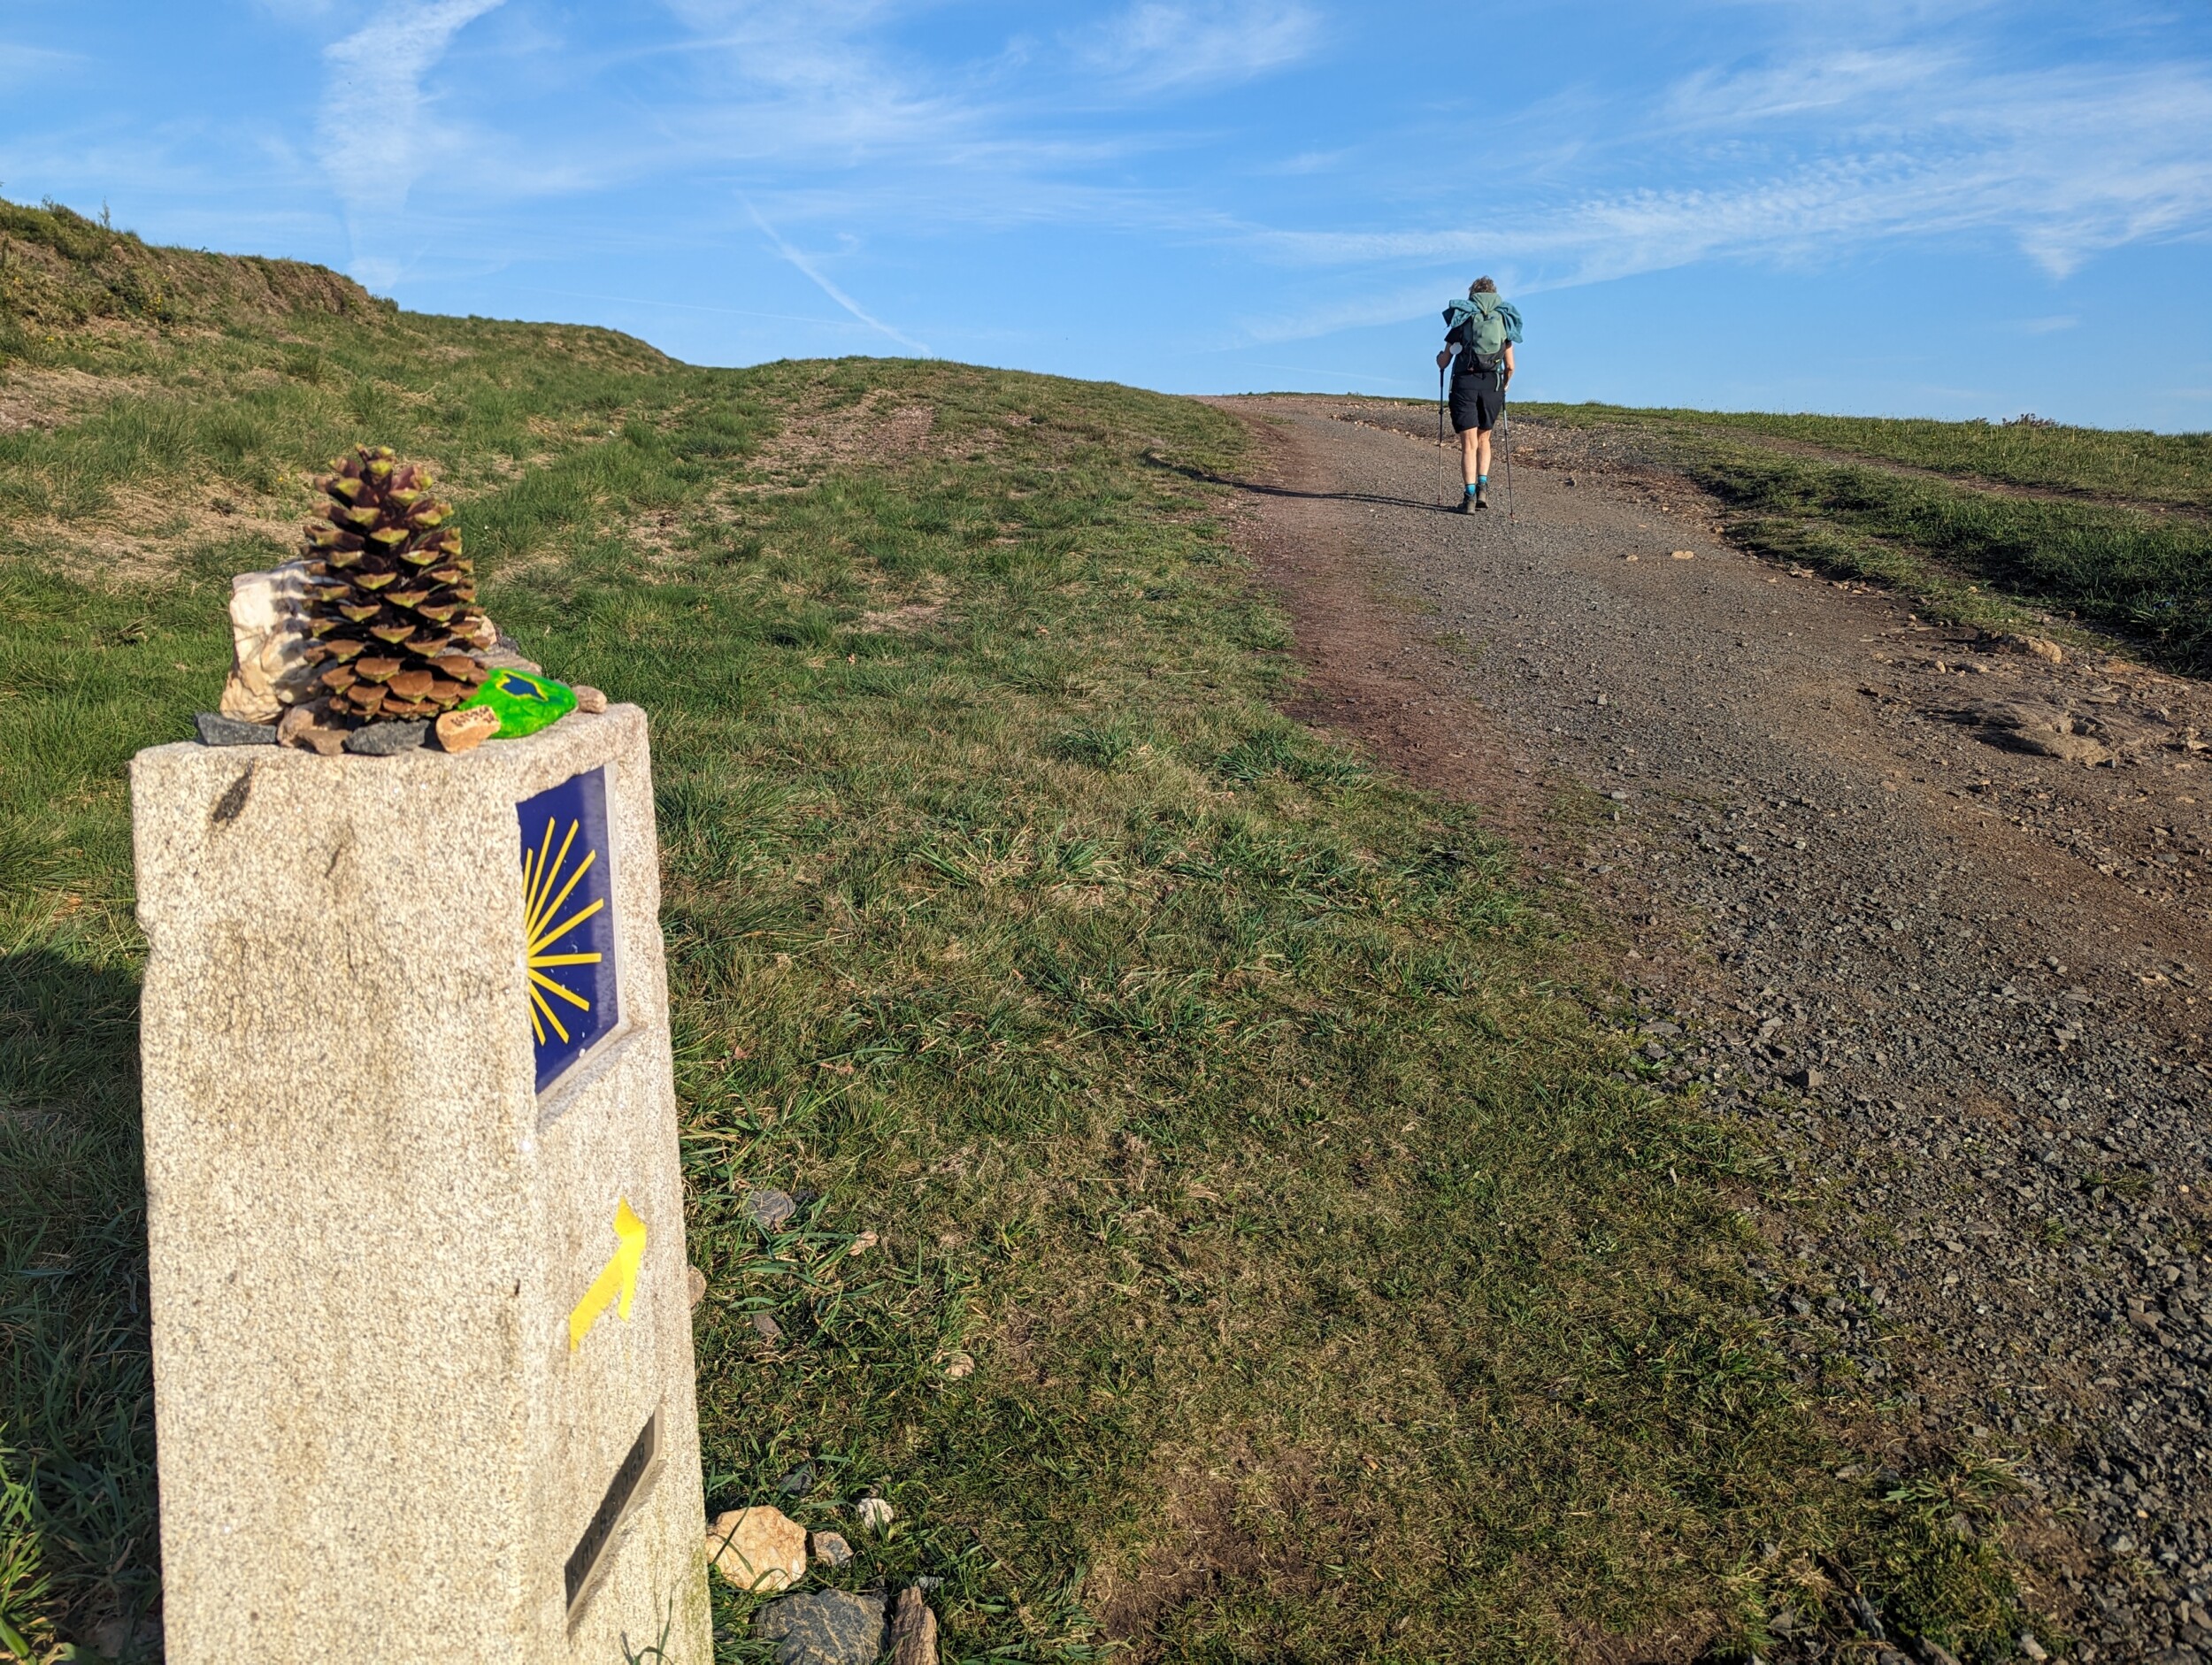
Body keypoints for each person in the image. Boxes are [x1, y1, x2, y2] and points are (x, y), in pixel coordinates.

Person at [1436, 277, 1520, 511]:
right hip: (1492, 385)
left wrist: (1438, 361)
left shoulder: (1463, 318)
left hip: (1465, 384)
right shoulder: (1503, 320)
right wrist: (1504, 385)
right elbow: (1511, 366)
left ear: (1472, 294)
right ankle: (1483, 488)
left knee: (1468, 444)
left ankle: (1469, 497)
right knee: (1484, 439)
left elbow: (1444, 361)